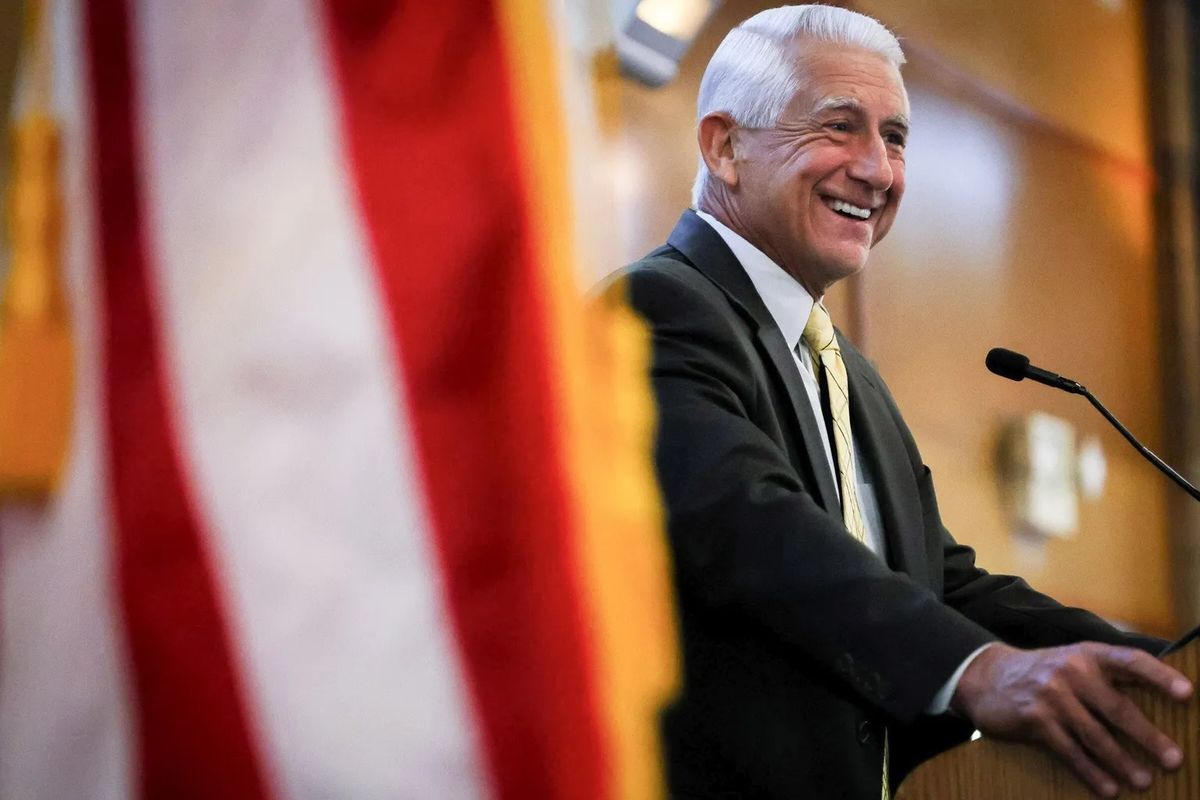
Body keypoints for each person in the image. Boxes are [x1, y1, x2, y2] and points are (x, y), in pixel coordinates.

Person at [607, 6, 1193, 799]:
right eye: (840, 126)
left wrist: (1169, 671)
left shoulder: (851, 372)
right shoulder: (655, 310)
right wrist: (976, 670)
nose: (878, 170)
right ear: (725, 146)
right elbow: (755, 531)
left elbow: (941, 584)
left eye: (895, 137)